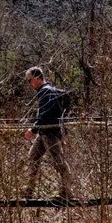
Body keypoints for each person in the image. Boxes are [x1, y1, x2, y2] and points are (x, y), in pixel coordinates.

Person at [22, 65, 75, 199]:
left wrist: (32, 129)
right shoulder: (47, 91)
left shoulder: (46, 92)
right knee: (33, 157)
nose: (29, 84)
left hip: (50, 133)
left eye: (29, 80)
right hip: (44, 132)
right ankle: (29, 191)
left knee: (59, 162)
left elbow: (45, 115)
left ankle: (66, 192)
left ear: (37, 78)